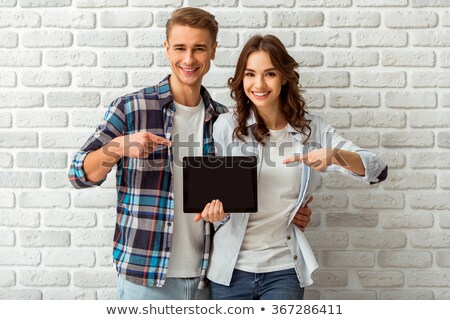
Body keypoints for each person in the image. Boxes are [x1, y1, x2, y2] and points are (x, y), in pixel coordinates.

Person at [69, 8, 312, 300]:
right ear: (166, 48)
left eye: (199, 49)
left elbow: (240, 196)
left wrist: (290, 212)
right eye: (180, 48)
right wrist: (117, 147)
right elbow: (78, 175)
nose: (188, 59)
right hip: (145, 276)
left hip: (206, 278)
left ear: (213, 51)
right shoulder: (132, 108)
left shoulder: (223, 121)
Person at [204, 34, 388, 300]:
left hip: (284, 270)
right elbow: (212, 193)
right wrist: (215, 212)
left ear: (284, 77)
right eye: (250, 74)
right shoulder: (225, 127)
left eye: (269, 74)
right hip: (230, 271)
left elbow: (377, 170)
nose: (258, 84)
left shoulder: (311, 131)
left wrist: (335, 156)